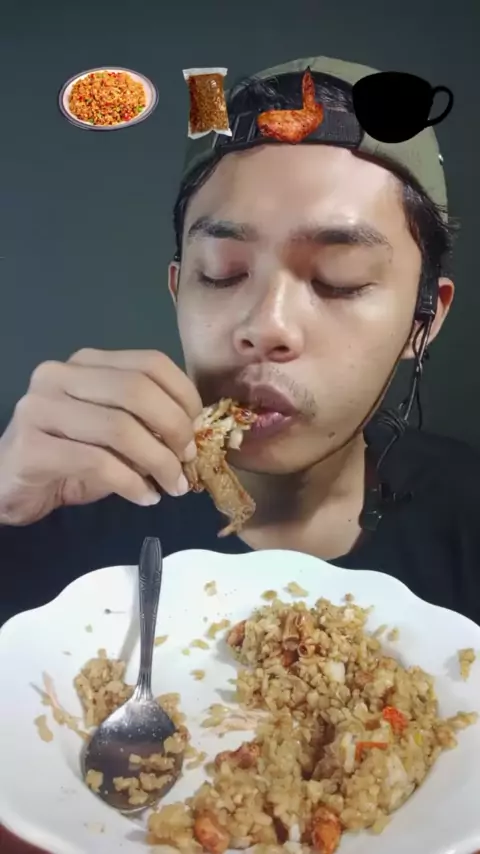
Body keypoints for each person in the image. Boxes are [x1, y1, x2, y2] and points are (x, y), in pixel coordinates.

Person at [1, 54, 480, 634]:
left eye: (340, 279)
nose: (267, 326)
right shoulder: (65, 501)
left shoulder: (465, 516)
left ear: (423, 321)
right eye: (222, 273)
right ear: (179, 289)